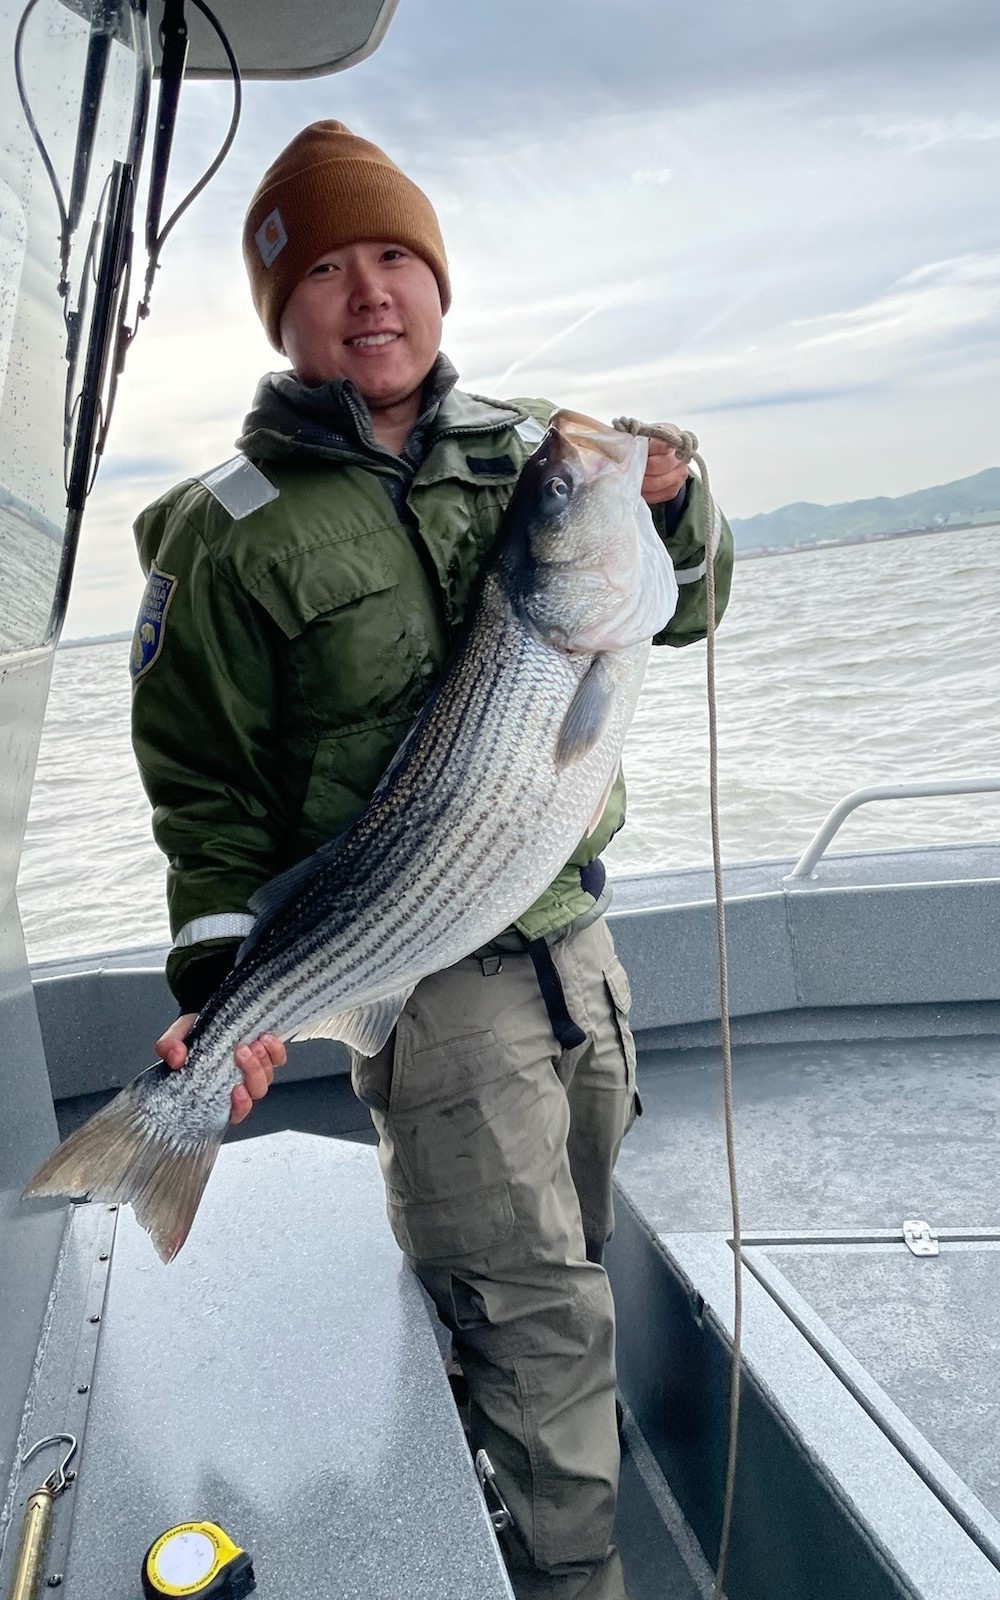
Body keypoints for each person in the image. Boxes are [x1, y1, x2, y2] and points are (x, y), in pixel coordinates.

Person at [131, 121, 733, 1600]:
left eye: (397, 255)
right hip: (419, 970)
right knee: (536, 1317)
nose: (371, 291)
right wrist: (226, 990)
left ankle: (487, 1469)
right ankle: (565, 1578)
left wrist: (673, 503)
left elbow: (684, 604)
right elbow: (203, 788)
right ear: (282, 315)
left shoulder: (538, 454)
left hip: (572, 951)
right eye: (324, 269)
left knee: (563, 1256)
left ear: (440, 285)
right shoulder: (224, 534)